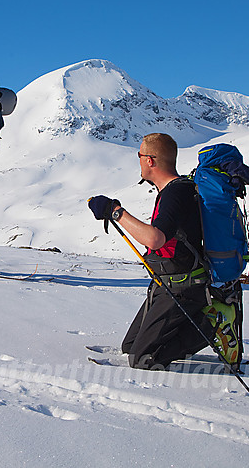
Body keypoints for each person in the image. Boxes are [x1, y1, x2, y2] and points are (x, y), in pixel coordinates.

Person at [88, 133, 212, 370]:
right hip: (166, 284)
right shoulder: (176, 190)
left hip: (182, 288)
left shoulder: (175, 193)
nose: (139, 160)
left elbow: (155, 239)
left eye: (140, 155)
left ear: (150, 160)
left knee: (142, 358)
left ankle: (210, 327)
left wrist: (115, 211)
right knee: (130, 346)